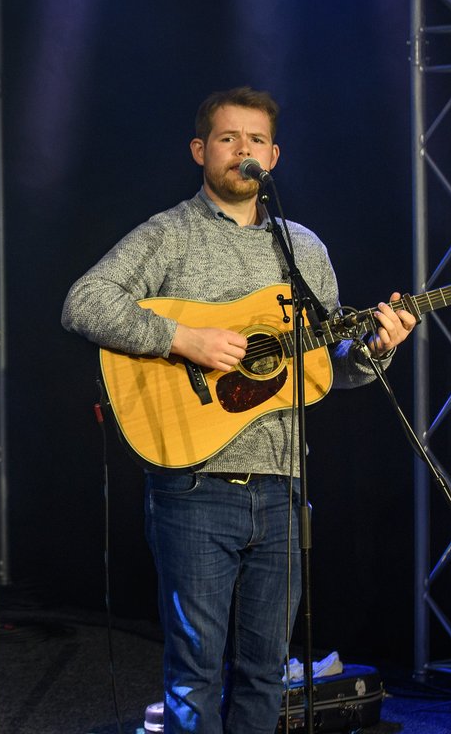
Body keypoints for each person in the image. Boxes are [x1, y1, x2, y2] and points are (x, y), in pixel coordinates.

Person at [60, 87, 417, 733]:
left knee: (265, 671)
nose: (242, 150)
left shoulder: (303, 249)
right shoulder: (170, 233)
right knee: (195, 674)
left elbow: (322, 370)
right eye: (228, 138)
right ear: (201, 151)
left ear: (273, 157)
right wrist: (184, 338)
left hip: (284, 488)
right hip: (195, 484)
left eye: (255, 140)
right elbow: (84, 302)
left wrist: (375, 351)